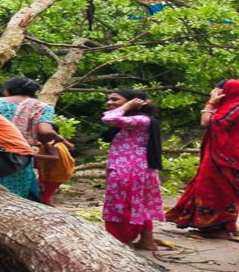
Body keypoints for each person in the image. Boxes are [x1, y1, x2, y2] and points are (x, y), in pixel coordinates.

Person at [0, 77, 73, 201]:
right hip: (17, 155)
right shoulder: (40, 106)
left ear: (7, 90)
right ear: (33, 92)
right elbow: (45, 131)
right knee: (17, 193)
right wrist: (63, 141)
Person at [166, 79, 239, 239]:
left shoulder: (234, 106)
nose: (214, 93)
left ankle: (216, 228)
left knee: (213, 189)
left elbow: (207, 122)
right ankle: (224, 225)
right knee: (220, 189)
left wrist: (211, 102)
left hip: (223, 157)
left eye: (217, 91)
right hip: (224, 155)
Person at [101, 89, 164, 250]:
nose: (110, 103)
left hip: (129, 169)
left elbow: (108, 118)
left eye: (115, 99)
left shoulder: (141, 119)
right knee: (137, 204)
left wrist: (127, 105)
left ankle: (122, 241)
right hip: (136, 168)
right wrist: (125, 107)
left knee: (122, 205)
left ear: (134, 102)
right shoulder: (131, 120)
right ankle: (147, 241)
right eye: (108, 99)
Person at [35, 138, 75, 206]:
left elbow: (55, 157)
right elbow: (71, 147)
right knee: (46, 194)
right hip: (60, 173)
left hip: (53, 174)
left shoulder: (50, 145)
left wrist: (33, 155)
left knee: (43, 197)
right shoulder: (55, 141)